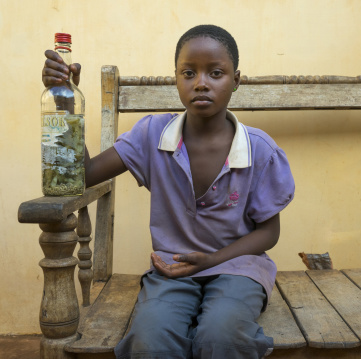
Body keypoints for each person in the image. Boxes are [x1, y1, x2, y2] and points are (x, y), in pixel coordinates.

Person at [42, 25, 295, 359]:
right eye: (189, 72)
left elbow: (269, 232)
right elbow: (84, 175)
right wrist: (64, 99)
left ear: (236, 79)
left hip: (238, 267)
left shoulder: (259, 149)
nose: (201, 82)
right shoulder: (152, 135)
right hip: (171, 272)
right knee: (151, 340)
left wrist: (215, 259)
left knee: (222, 336)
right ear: (176, 79)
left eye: (215, 73)